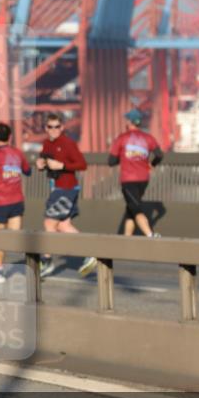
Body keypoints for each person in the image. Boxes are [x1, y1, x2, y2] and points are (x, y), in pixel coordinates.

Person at [35, 113, 96, 278]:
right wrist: (41, 165)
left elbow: (82, 164)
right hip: (58, 188)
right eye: (50, 127)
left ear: (62, 127)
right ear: (46, 128)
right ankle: (90, 254)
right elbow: (46, 162)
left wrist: (62, 165)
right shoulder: (47, 144)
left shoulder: (68, 143)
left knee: (49, 223)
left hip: (66, 188)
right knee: (63, 226)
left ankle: (46, 261)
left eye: (57, 126)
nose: (54, 130)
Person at [0, 122, 31, 283]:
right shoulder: (18, 153)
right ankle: (33, 265)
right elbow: (28, 171)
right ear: (10, 136)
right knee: (15, 238)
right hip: (17, 201)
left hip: (0, 202)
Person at [109, 109, 164, 237]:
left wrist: (123, 157)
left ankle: (150, 235)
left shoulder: (122, 138)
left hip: (128, 180)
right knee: (131, 209)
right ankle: (127, 239)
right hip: (144, 180)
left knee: (135, 208)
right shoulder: (148, 138)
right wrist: (152, 164)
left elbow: (111, 161)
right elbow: (159, 155)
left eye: (127, 120)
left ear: (129, 122)